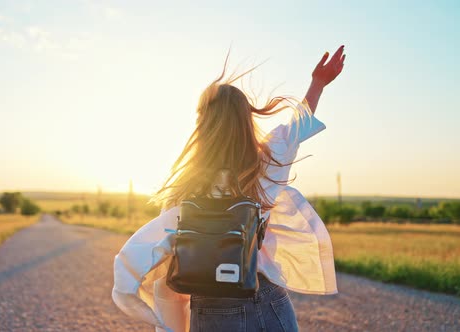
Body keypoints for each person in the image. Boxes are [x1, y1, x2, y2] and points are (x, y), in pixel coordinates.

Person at [112, 45, 346, 332]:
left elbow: (158, 250)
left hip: (209, 306)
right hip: (265, 296)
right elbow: (297, 127)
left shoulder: (186, 187)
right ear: (244, 120)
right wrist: (318, 84)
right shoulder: (265, 164)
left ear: (203, 124)